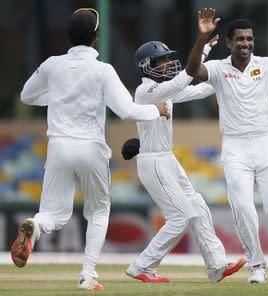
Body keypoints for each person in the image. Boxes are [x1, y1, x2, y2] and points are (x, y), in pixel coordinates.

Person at [10, 8, 170, 291]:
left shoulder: (52, 65)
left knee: (54, 213)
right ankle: (87, 275)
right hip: (91, 147)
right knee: (98, 212)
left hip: (58, 145)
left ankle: (35, 226)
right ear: (96, 37)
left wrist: (59, 96)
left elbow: (27, 95)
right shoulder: (103, 70)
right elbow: (126, 110)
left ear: (69, 36)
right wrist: (155, 110)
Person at [122, 8, 246, 283]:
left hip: (167, 160)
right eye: (162, 61)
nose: (168, 64)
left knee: (198, 206)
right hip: (153, 162)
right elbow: (184, 78)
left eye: (168, 59)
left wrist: (227, 74)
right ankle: (142, 266)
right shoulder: (145, 90)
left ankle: (216, 266)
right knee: (181, 217)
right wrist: (200, 47)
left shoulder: (165, 89)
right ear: (146, 66)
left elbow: (200, 87)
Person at [194, 15, 268, 283]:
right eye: (239, 39)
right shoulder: (218, 69)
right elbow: (192, 72)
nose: (245, 44)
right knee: (244, 208)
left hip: (265, 141)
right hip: (234, 146)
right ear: (229, 42)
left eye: (249, 39)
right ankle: (257, 264)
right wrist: (201, 39)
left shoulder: (267, 65)